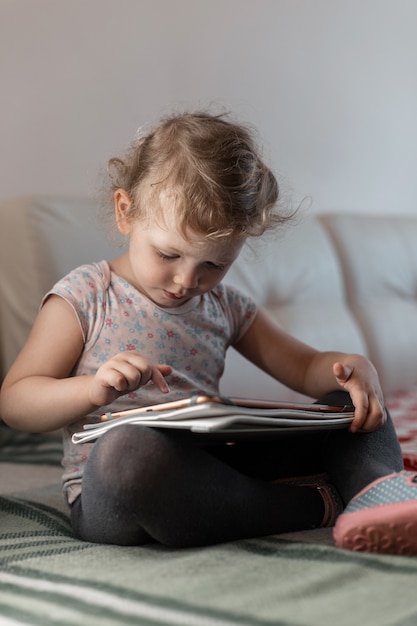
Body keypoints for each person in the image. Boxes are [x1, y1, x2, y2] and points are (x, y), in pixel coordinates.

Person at [0, 110, 412, 555]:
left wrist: (352, 369)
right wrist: (92, 390)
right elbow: (16, 403)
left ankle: (382, 497)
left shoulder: (224, 306)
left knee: (354, 407)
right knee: (129, 454)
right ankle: (314, 505)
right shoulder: (86, 296)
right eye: (168, 254)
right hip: (117, 489)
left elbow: (305, 368)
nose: (186, 281)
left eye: (215, 264)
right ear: (126, 212)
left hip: (212, 469)